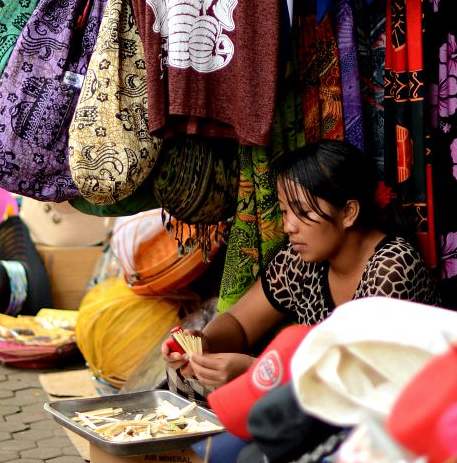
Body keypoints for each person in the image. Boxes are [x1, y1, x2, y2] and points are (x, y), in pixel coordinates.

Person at [162, 139, 439, 394]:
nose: (288, 227)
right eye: (285, 212)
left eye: (303, 212)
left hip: (390, 407)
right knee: (184, 379)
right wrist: (201, 346)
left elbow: (360, 379)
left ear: (349, 212)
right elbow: (239, 323)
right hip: (322, 400)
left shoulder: (392, 267)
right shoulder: (300, 261)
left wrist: (255, 370)